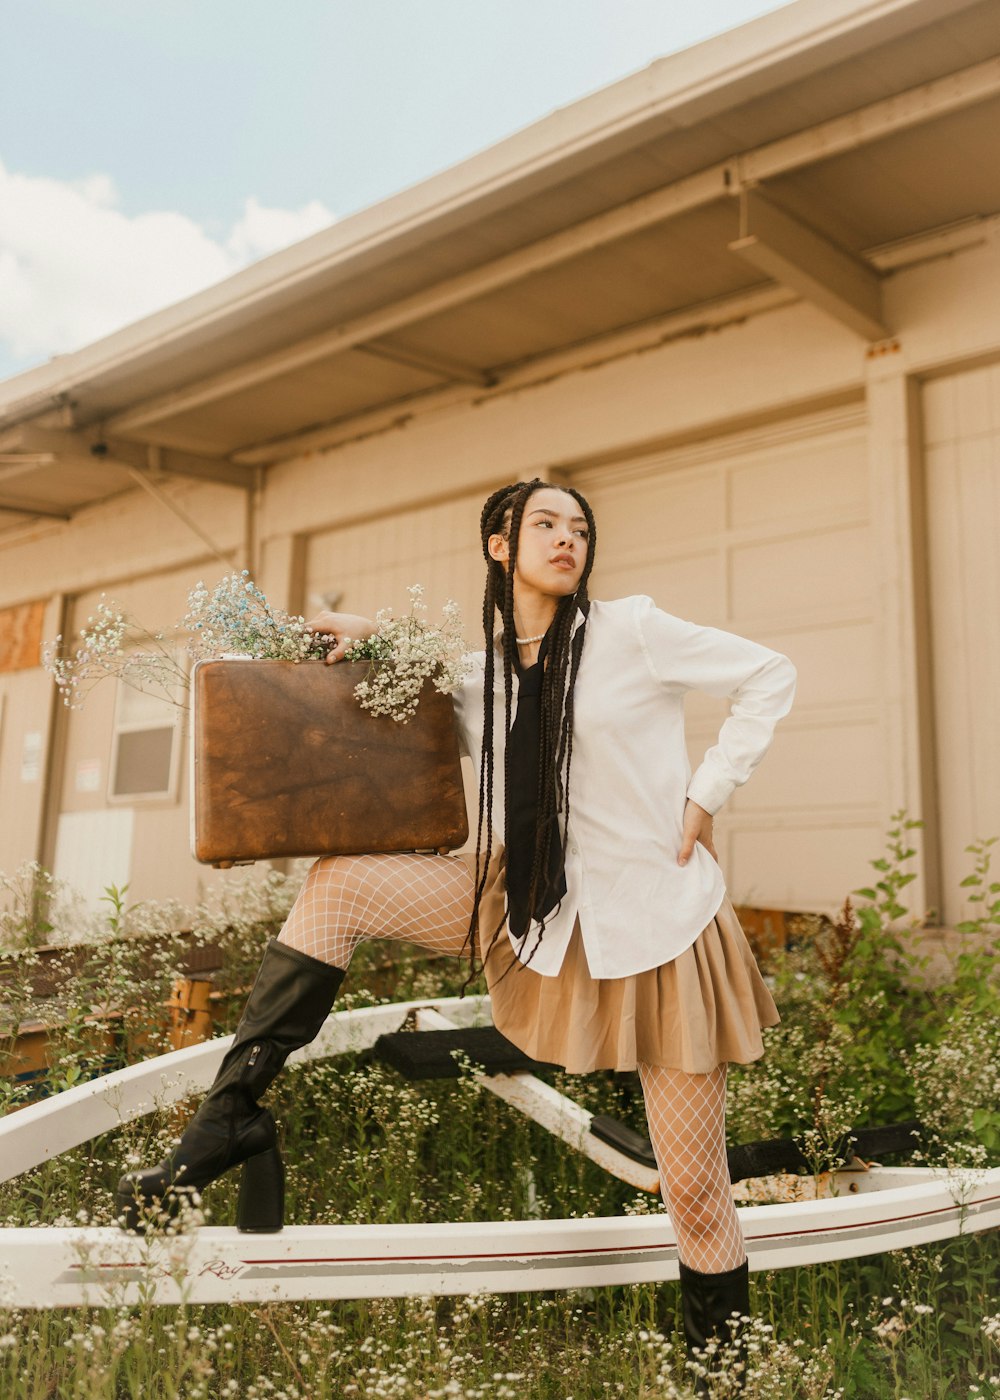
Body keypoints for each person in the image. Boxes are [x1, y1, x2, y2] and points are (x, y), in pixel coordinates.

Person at [118, 478, 796, 1394]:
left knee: (696, 1198)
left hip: (655, 928)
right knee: (342, 884)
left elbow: (769, 671)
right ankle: (232, 1114)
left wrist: (707, 790)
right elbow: (442, 674)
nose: (568, 539)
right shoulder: (479, 666)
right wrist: (367, 639)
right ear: (499, 546)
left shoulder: (630, 630)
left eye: (581, 528)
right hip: (539, 911)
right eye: (545, 524)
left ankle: (722, 1380)